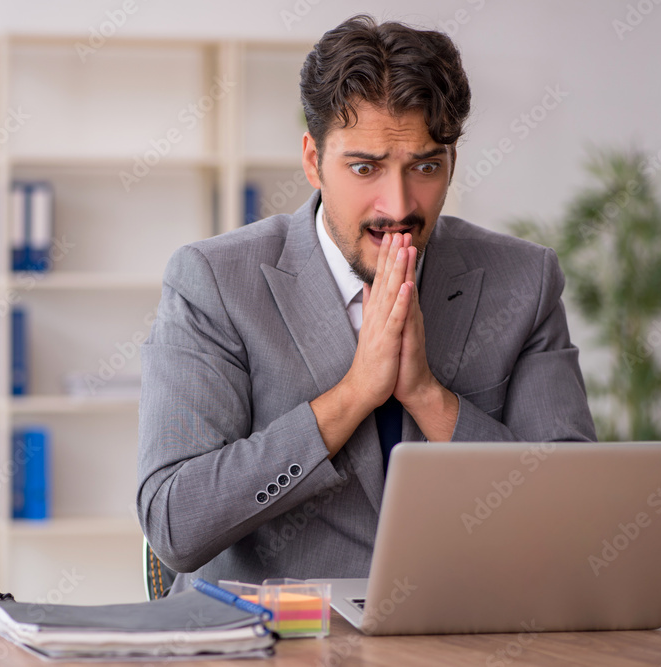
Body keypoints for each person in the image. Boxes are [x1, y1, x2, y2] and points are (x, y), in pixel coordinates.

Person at [136, 15, 596, 593]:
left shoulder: (523, 281)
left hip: (461, 636)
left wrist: (430, 399)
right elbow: (176, 524)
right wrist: (354, 395)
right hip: (273, 643)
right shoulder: (214, 282)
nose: (398, 204)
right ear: (313, 161)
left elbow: (573, 517)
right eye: (365, 167)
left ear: (451, 162)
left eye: (424, 167)